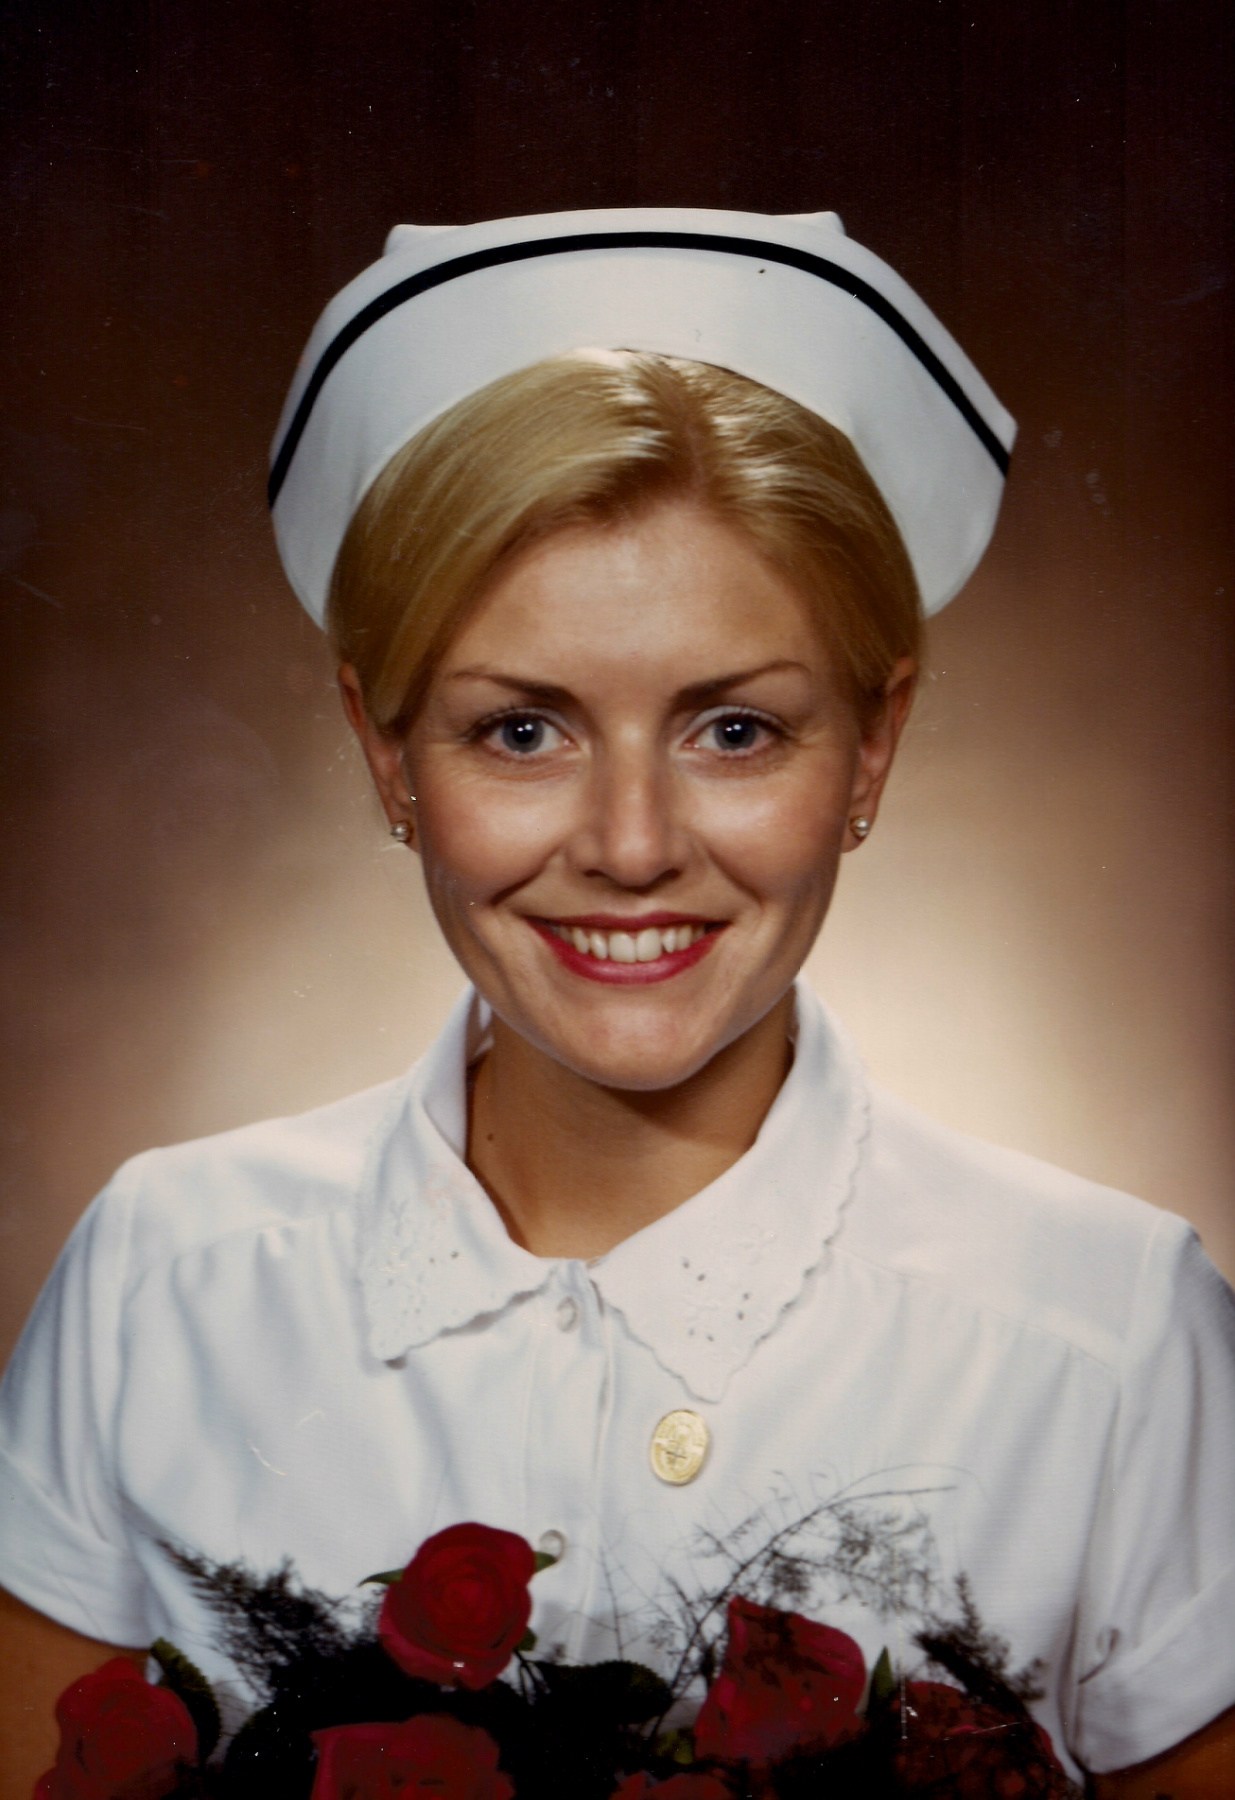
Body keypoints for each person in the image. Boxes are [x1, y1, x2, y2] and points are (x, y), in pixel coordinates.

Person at [2, 208, 1232, 1796]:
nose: (633, 846)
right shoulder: (162, 1283)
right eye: (523, 732)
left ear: (872, 747)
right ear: (386, 752)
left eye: (735, 730)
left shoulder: (1114, 1342)